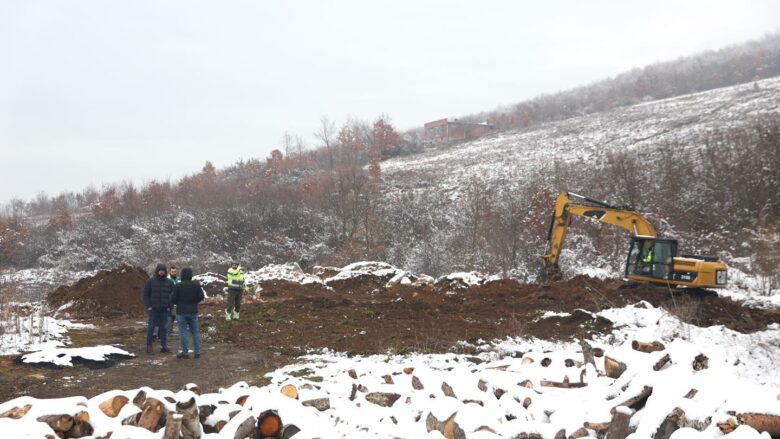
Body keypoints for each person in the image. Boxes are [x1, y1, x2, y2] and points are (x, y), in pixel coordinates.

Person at [170, 267, 205, 359]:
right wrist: (194, 301)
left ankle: (185, 353)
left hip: (181, 311)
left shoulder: (178, 285)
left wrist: (178, 302)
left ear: (182, 275)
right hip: (193, 311)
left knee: (183, 333)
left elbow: (173, 299)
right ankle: (197, 352)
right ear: (190, 275)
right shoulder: (196, 285)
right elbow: (201, 296)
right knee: (195, 332)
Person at [143, 263, 174, 354]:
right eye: (160, 270)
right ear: (157, 271)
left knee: (164, 328)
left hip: (165, 309)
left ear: (165, 271)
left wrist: (169, 307)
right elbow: (145, 295)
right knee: (151, 328)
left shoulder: (170, 282)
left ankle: (164, 346)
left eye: (163, 270)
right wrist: (148, 306)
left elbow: (173, 296)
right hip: (153, 309)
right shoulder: (150, 281)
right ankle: (149, 347)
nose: (161, 272)